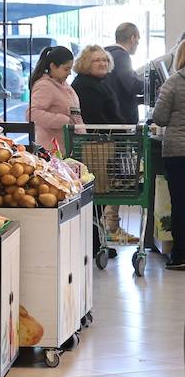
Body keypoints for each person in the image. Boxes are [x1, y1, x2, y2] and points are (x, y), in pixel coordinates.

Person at [72, 46, 137, 246]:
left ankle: (98, 239)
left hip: (103, 145)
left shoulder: (99, 83)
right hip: (95, 147)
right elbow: (95, 118)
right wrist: (123, 130)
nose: (103, 63)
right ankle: (95, 240)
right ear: (85, 63)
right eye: (97, 60)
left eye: (105, 60)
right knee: (97, 193)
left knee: (100, 194)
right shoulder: (86, 86)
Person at [150, 41, 185, 269]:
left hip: (178, 152)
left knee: (180, 203)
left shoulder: (173, 82)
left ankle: (180, 255)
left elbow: (160, 118)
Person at [29, 45, 79, 155]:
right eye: (66, 69)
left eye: (70, 69)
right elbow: (32, 113)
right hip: (52, 150)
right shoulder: (44, 86)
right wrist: (62, 121)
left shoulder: (65, 85)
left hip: (67, 147)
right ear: (53, 66)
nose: (69, 73)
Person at [104, 22, 145, 124]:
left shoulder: (107, 54)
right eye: (138, 38)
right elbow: (132, 85)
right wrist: (151, 87)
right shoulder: (122, 56)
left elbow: (120, 90)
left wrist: (142, 100)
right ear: (133, 38)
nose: (138, 43)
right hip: (122, 120)